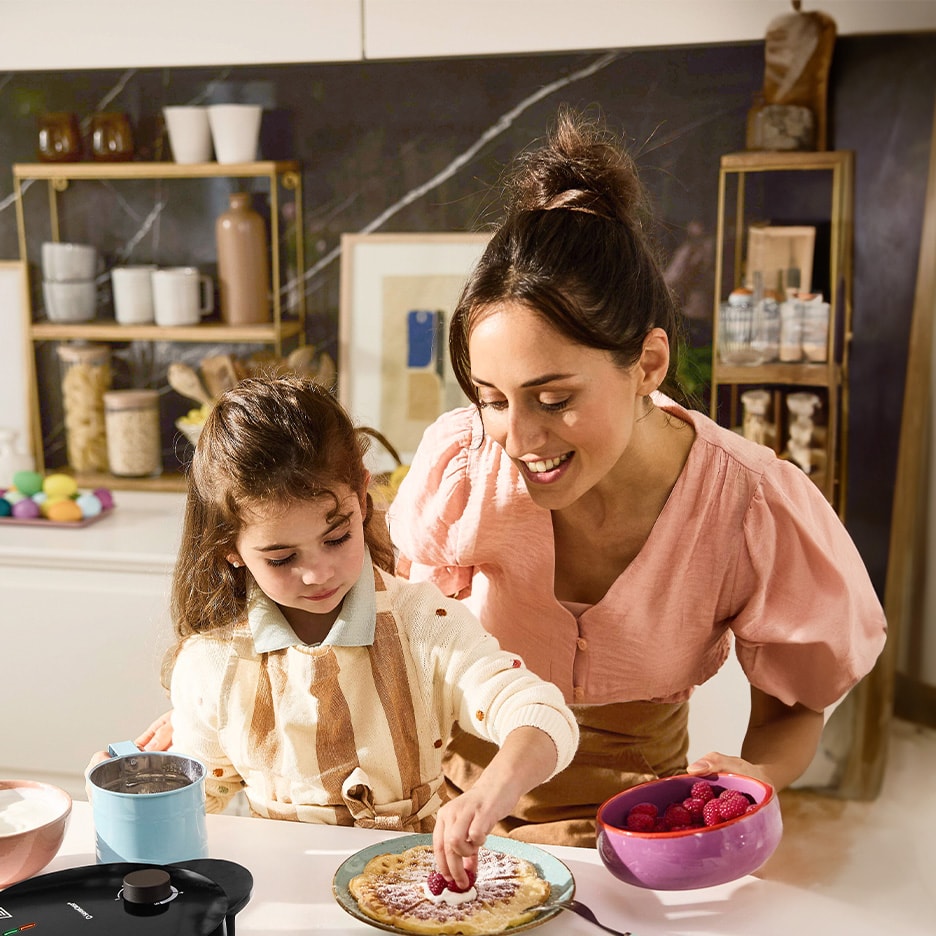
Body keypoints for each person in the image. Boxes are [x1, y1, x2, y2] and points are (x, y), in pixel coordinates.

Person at [386, 107, 887, 847]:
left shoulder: (749, 505)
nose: (519, 438)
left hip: (637, 824)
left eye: (554, 399)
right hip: (465, 811)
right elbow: (405, 642)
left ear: (648, 365)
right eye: (493, 400)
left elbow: (793, 708)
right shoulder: (462, 468)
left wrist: (751, 776)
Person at [96, 375, 578, 886]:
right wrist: (133, 791)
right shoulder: (212, 664)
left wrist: (489, 792)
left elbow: (541, 715)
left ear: (363, 496)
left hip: (421, 889)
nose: (318, 573)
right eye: (282, 557)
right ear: (231, 549)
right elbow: (195, 807)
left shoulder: (425, 624)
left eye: (337, 536)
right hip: (282, 893)